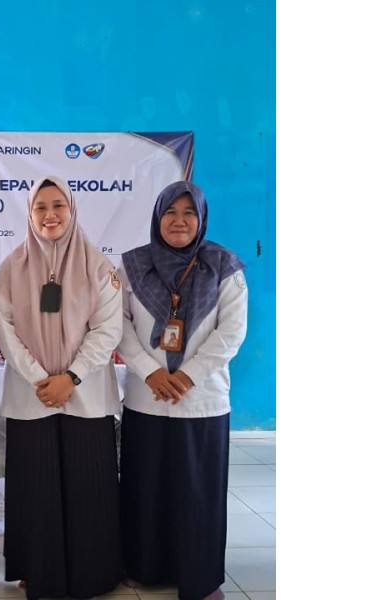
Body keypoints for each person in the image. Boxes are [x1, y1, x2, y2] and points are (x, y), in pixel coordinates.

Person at [0, 176, 125, 600]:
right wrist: (40, 379)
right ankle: (39, 570)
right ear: (29, 214)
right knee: (37, 487)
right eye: (40, 207)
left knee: (89, 485)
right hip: (31, 396)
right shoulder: (11, 268)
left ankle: (92, 574)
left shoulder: (98, 266)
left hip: (85, 396)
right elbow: (5, 330)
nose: (49, 215)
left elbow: (108, 329)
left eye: (58, 206)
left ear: (72, 209)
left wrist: (71, 378)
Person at [116, 180, 248, 600]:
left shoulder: (224, 265)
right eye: (170, 212)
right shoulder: (132, 265)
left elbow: (231, 332)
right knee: (146, 489)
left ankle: (200, 578)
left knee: (198, 493)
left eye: (189, 213)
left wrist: (188, 375)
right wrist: (150, 372)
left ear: (201, 219)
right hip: (147, 398)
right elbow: (119, 326)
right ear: (157, 217)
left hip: (202, 400)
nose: (179, 221)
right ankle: (145, 567)